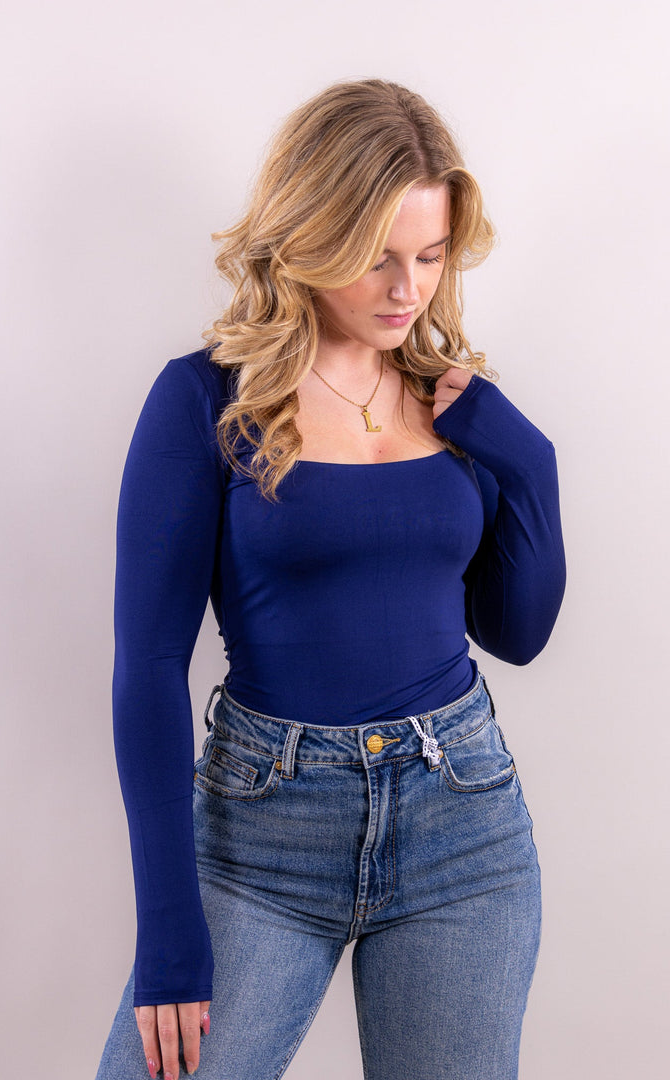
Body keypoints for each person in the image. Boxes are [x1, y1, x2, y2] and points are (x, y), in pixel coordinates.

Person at [95, 79, 566, 1080]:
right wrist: (167, 934)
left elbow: (517, 634)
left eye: (431, 256)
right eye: (378, 257)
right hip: (261, 836)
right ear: (310, 236)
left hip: (462, 826)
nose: (409, 290)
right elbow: (149, 666)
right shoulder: (206, 400)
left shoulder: (455, 404)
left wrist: (532, 465)